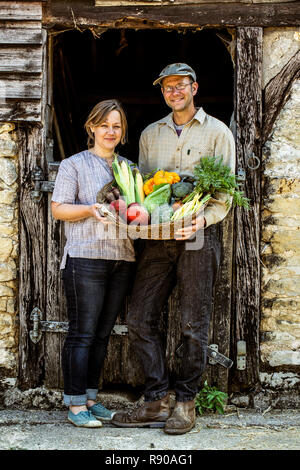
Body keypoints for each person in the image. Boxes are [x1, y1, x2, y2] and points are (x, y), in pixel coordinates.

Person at [111, 63, 235, 434]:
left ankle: (185, 402)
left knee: (193, 323)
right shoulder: (151, 134)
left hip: (198, 234)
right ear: (162, 92)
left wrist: (202, 220)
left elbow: (224, 192)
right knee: (140, 317)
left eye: (181, 85)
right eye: (168, 87)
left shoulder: (218, 133)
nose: (174, 92)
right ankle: (156, 399)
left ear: (194, 88)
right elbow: (149, 191)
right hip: (159, 238)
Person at [51, 99, 135, 428]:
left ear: (122, 131)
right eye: (104, 125)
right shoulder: (74, 165)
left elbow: (135, 213)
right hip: (84, 258)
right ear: (92, 128)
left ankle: (90, 399)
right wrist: (89, 209)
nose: (110, 131)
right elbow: (58, 209)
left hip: (122, 259)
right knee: (82, 334)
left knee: (101, 335)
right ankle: (74, 406)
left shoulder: (129, 169)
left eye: (116, 126)